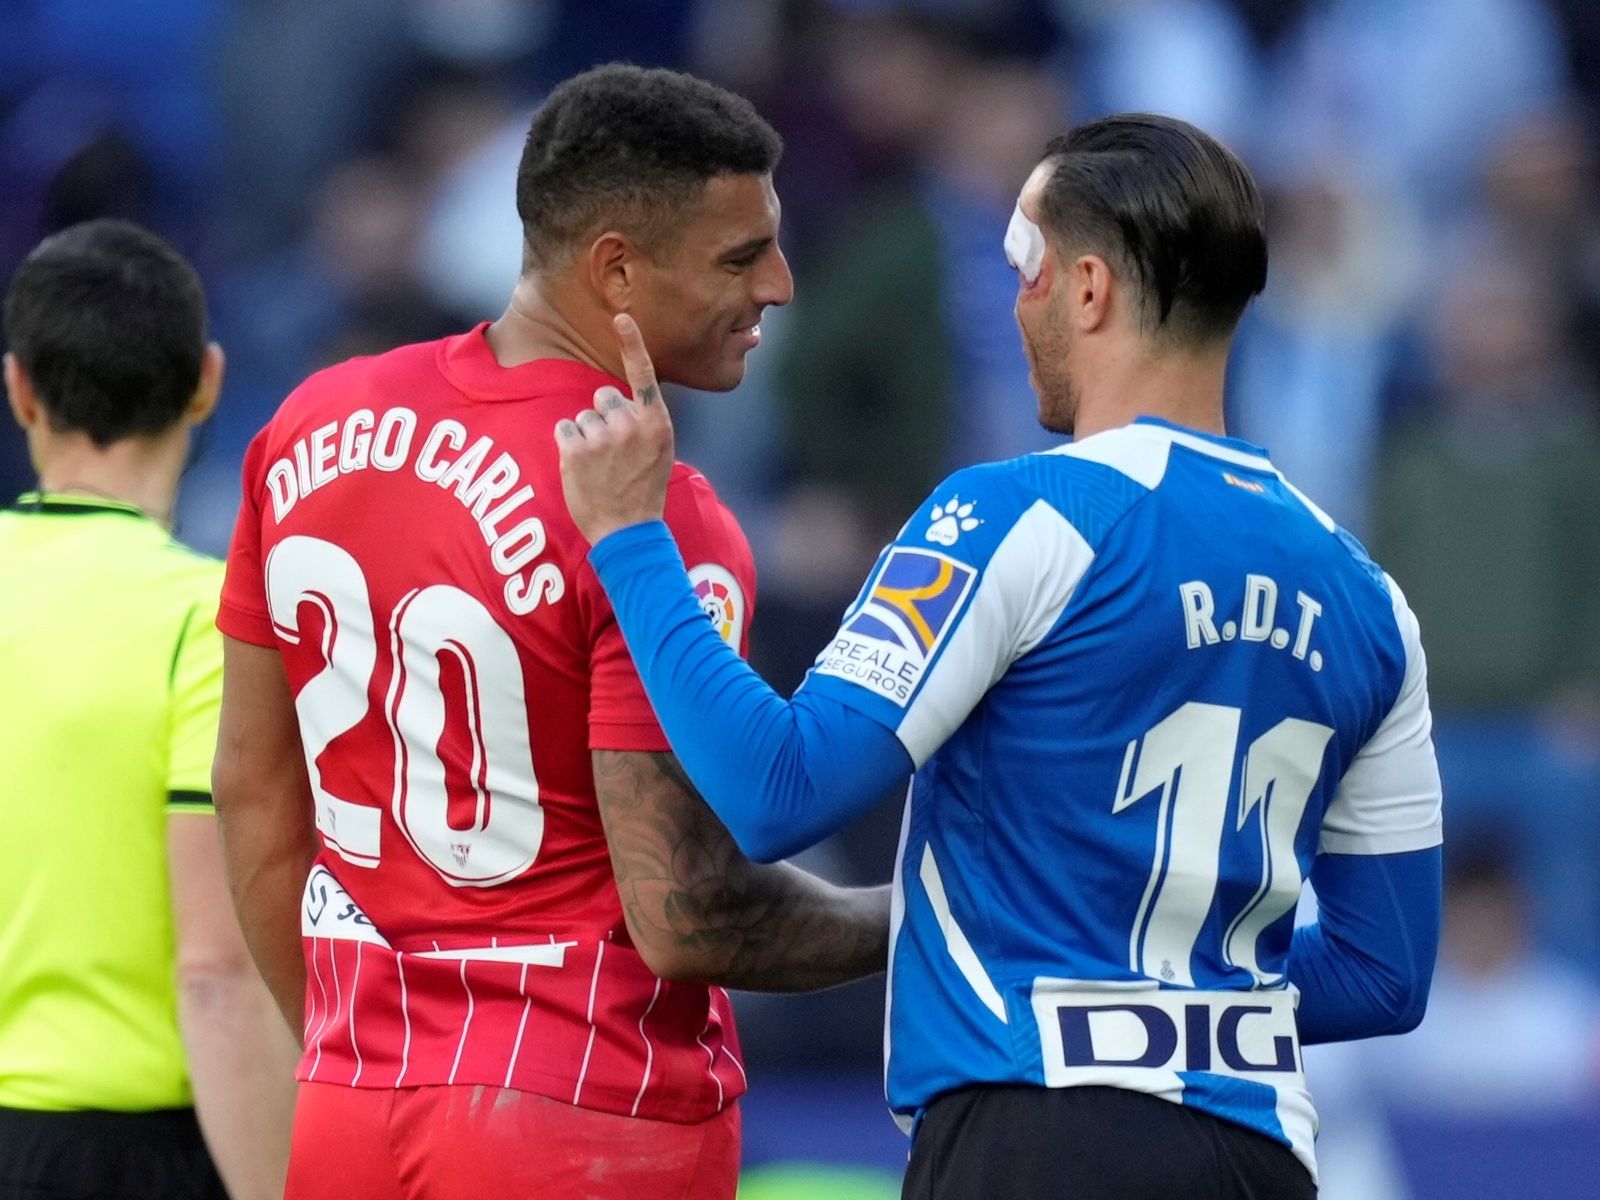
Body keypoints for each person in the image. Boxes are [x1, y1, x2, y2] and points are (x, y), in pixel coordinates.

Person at [556, 113, 1445, 1199]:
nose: (1015, 304)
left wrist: (631, 541)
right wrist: (1185, 1008)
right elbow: (1384, 973)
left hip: (1034, 1132)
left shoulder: (1017, 514)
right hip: (1262, 1155)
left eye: (1020, 268)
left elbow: (777, 787)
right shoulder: (1366, 595)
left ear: (1086, 288)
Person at [211, 64, 889, 1200]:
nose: (778, 285)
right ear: (615, 266)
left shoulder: (309, 424)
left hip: (350, 1106)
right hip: (586, 1113)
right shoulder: (649, 511)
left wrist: (344, 1048)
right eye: (738, 256)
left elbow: (251, 792)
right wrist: (926, 913)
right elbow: (685, 915)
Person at [0, 219, 297, 1200]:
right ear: (207, 383)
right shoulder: (207, 628)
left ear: (20, 390)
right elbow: (217, 974)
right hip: (125, 1152)